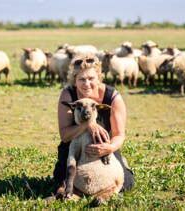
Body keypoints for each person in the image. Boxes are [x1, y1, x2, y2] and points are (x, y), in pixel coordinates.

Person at [52, 54, 134, 198]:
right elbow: (65, 136)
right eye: (81, 79)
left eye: (91, 79)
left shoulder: (112, 97)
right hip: (74, 146)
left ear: (99, 77)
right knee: (61, 181)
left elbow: (119, 135)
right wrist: (88, 125)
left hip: (104, 145)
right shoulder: (68, 94)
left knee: (127, 182)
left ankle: (104, 194)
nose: (86, 84)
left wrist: (109, 148)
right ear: (74, 80)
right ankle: (68, 192)